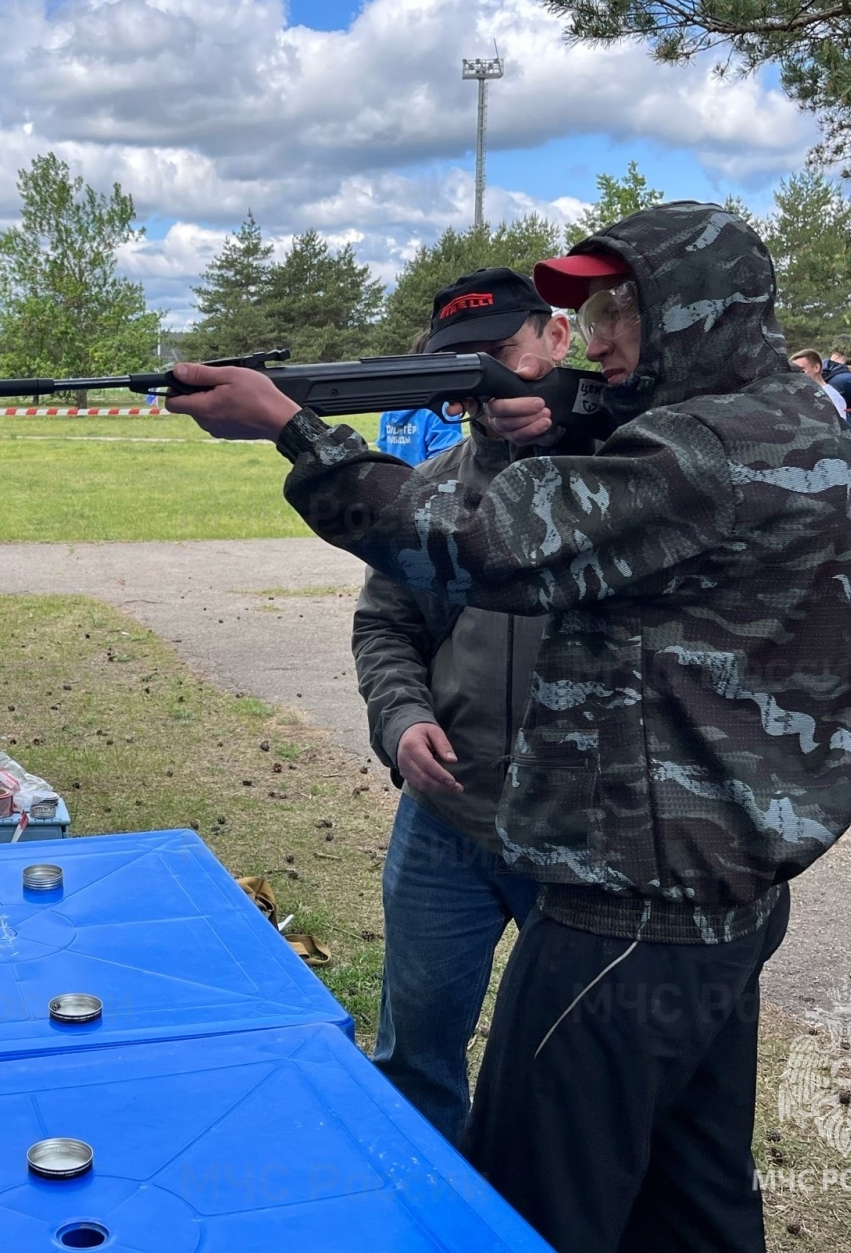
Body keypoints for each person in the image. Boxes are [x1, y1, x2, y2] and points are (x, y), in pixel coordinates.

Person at [167, 203, 851, 1253]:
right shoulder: (784, 415)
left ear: (697, 313)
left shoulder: (704, 448)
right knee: (692, 1203)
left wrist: (293, 430)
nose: (595, 335)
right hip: (714, 881)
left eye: (620, 308)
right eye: (586, 308)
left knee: (532, 1206)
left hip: (627, 896)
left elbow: (479, 548)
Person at [350, 267, 577, 1143]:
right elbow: (386, 626)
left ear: (558, 338)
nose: (482, 380)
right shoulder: (434, 485)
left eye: (500, 352)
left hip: (584, 830)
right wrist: (401, 719)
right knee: (414, 1061)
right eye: (461, 363)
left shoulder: (634, 471)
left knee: (563, 1074)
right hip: (448, 817)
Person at [792, 349, 851, 427]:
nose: (797, 375)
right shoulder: (800, 394)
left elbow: (839, 428)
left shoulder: (831, 396)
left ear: (816, 368)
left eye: (802, 371)